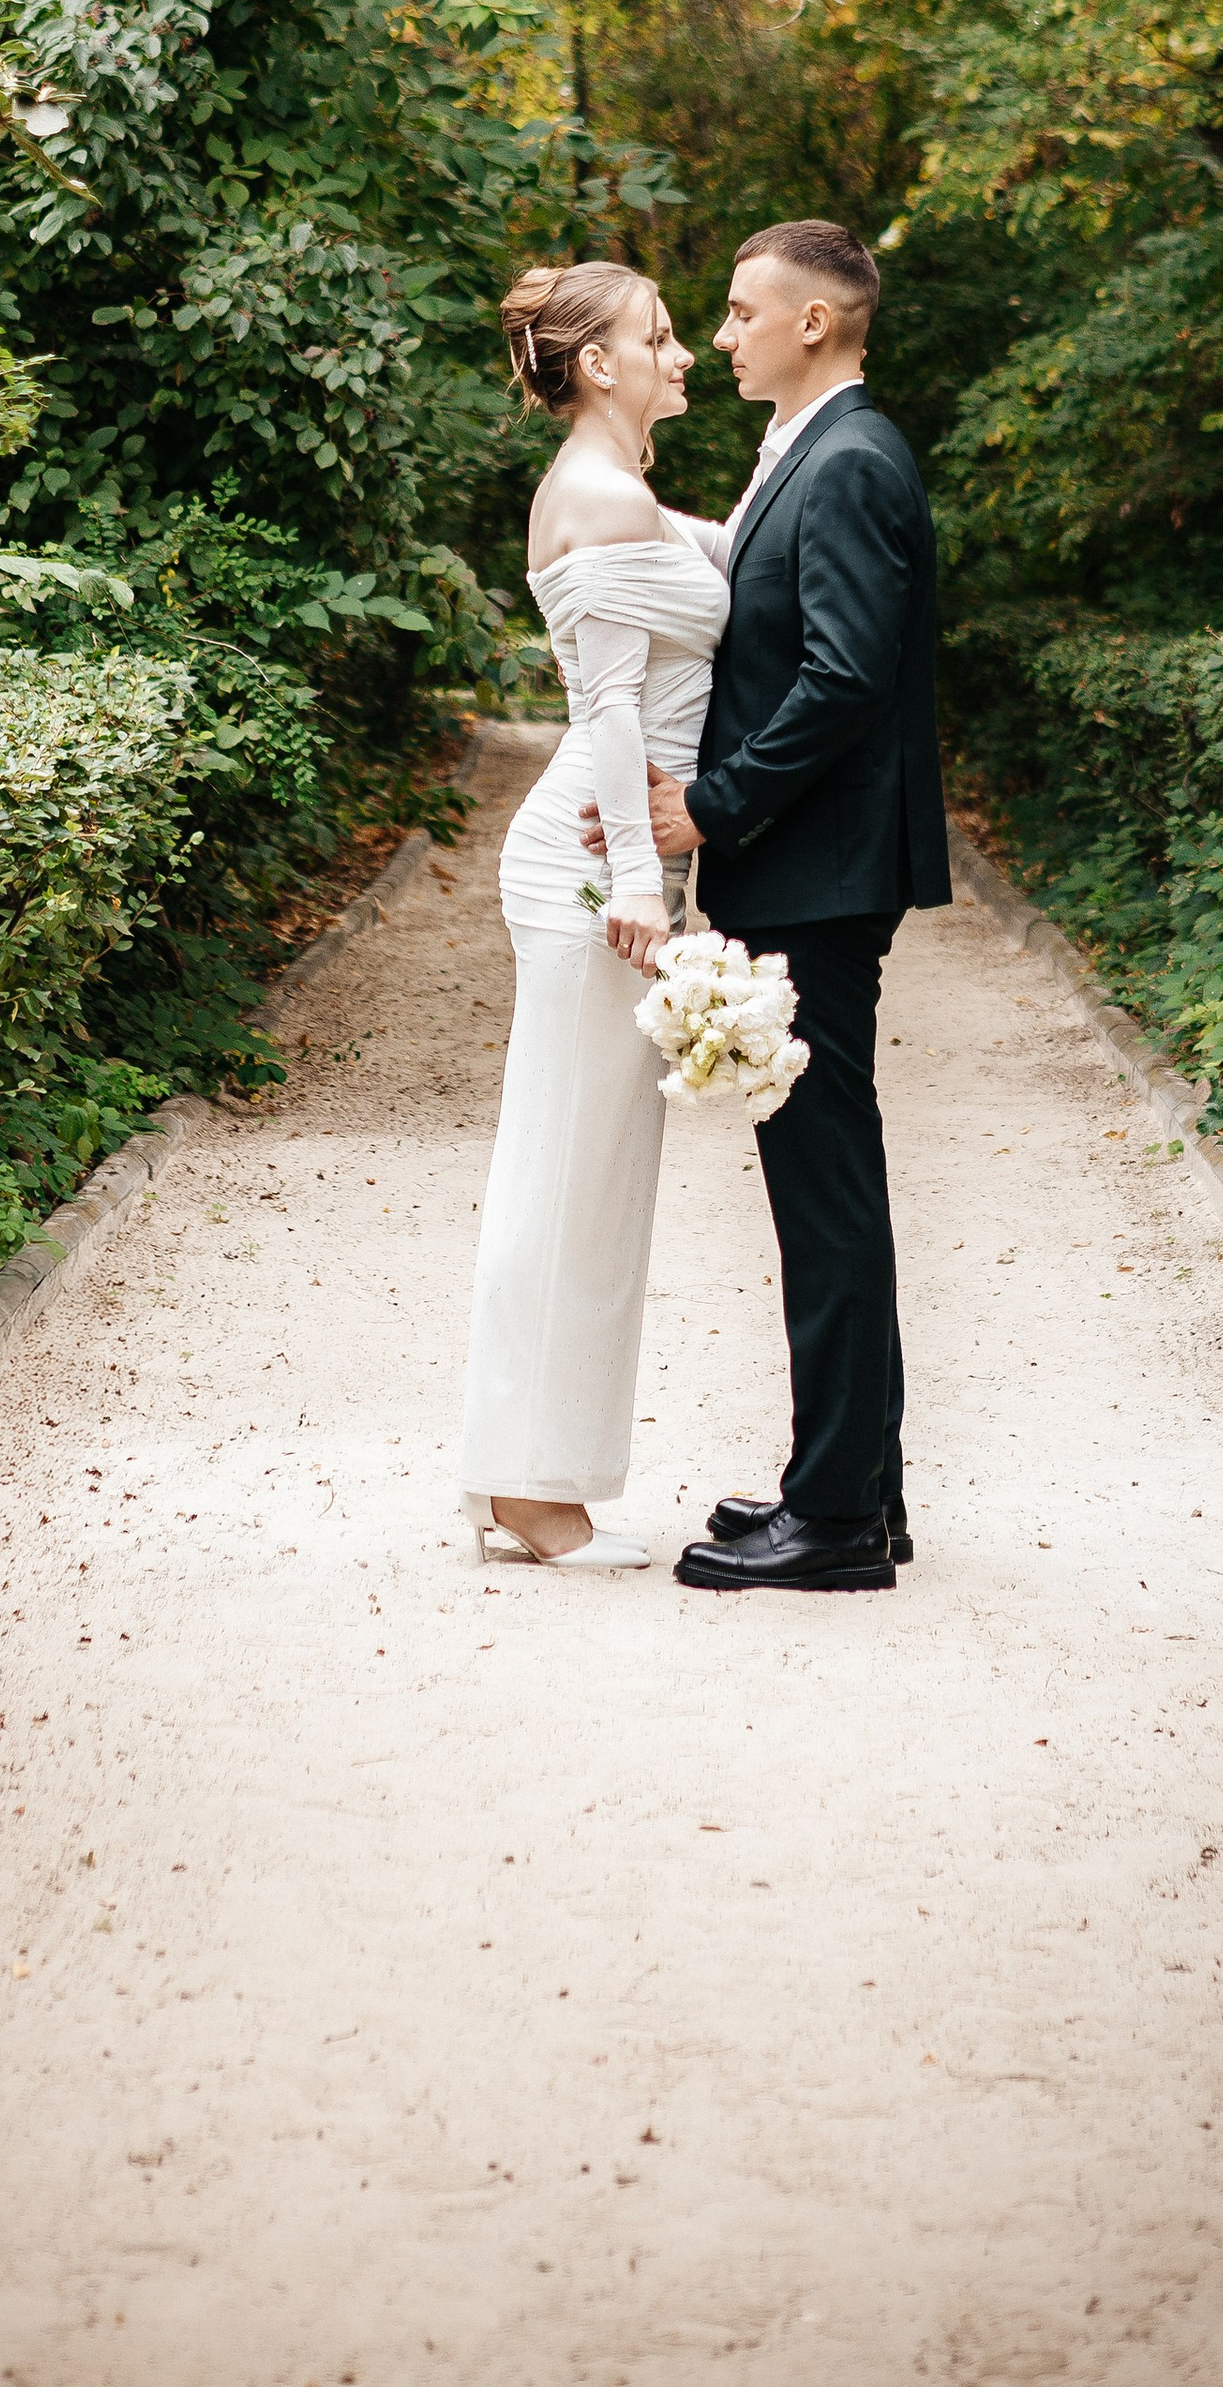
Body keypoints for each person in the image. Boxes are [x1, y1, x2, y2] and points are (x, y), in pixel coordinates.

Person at [584, 218, 949, 1594]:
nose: (722, 335)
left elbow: (846, 678)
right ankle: (854, 1491)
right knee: (824, 1183)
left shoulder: (851, 460)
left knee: (828, 1190)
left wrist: (714, 803)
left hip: (819, 875)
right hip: (813, 871)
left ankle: (840, 1520)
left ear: (815, 323)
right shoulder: (807, 452)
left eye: (741, 313)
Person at [457, 261, 729, 1570]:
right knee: (569, 1171)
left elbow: (723, 559)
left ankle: (527, 1471)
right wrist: (636, 878)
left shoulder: (621, 496)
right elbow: (613, 710)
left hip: (595, 856)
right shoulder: (604, 499)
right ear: (603, 365)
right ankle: (526, 1488)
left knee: (587, 1168)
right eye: (660, 338)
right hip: (584, 868)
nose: (682, 355)